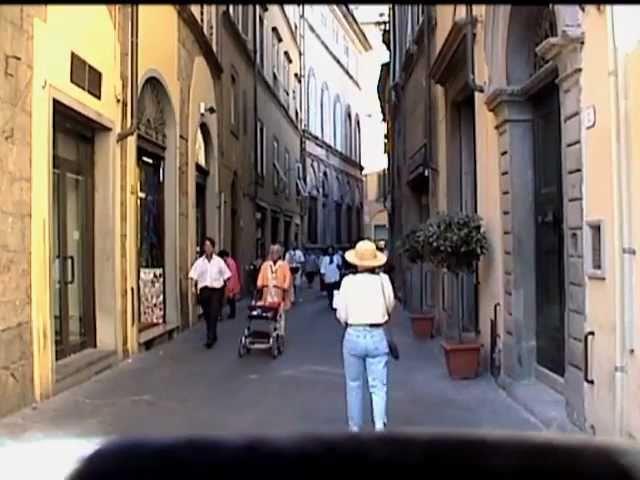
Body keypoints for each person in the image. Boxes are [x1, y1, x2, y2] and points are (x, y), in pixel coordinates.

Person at [336, 239, 395, 433]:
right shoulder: (383, 280)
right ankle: (379, 426)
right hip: (377, 333)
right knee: (378, 386)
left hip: (353, 334)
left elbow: (341, 314)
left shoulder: (347, 282)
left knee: (353, 384)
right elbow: (390, 305)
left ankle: (355, 429)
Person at [189, 237, 231, 349]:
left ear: (213, 247)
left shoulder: (219, 261)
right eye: (205, 246)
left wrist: (227, 291)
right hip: (204, 290)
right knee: (207, 314)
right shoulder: (199, 262)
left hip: (216, 290)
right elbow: (193, 275)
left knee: (214, 312)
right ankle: (212, 332)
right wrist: (193, 289)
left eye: (209, 246)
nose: (207, 248)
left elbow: (227, 276)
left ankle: (210, 338)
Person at [256, 244, 293, 336]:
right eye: (272, 252)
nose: (274, 254)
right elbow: (261, 275)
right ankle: (273, 331)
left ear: (280, 254)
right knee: (270, 313)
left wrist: (285, 286)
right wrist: (259, 284)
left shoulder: (284, 265)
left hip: (279, 291)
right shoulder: (265, 264)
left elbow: (288, 277)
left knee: (280, 312)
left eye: (276, 252)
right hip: (267, 291)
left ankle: (280, 332)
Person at [218, 250, 241, 320]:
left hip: (230, 285)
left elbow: (231, 275)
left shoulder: (229, 263)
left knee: (230, 300)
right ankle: (232, 313)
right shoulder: (231, 261)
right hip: (233, 284)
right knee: (231, 300)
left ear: (224, 256)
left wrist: (230, 288)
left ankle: (231, 314)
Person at [320, 245, 342, 310]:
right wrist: (323, 275)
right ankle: (330, 301)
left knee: (335, 291)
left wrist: (340, 269)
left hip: (335, 276)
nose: (330, 251)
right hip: (328, 277)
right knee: (329, 291)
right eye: (329, 250)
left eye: (331, 250)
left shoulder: (337, 257)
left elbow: (340, 265)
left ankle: (335, 303)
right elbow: (323, 267)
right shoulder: (325, 258)